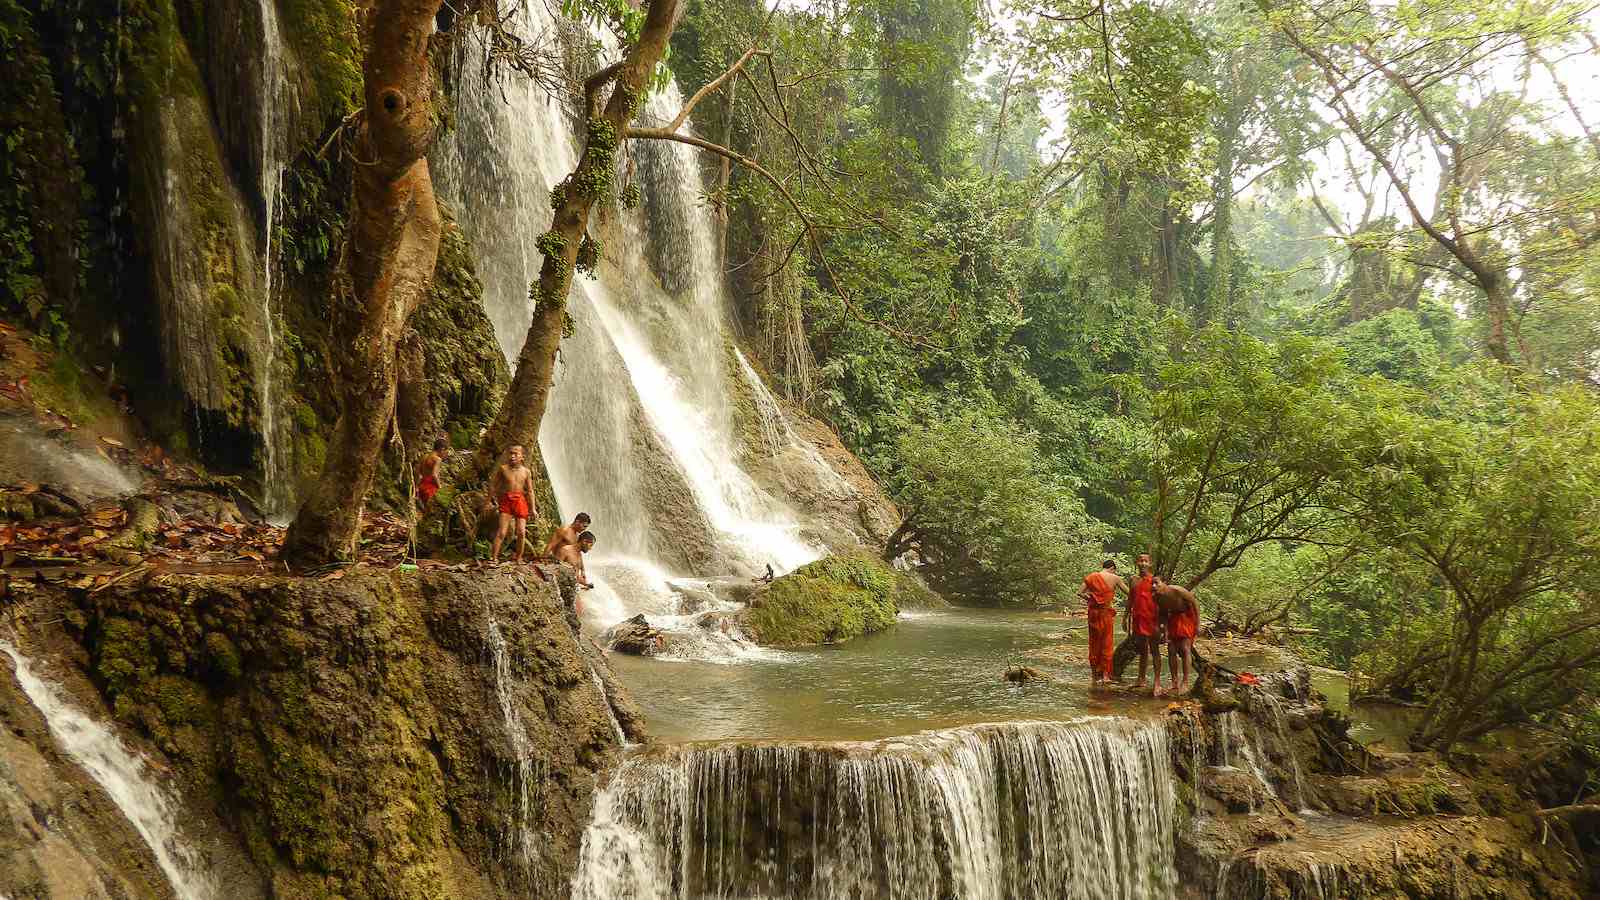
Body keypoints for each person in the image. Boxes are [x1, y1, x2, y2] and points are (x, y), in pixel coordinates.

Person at [1079, 560, 1127, 685]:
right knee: (1107, 642)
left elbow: (1079, 592)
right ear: (1112, 568)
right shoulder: (1115, 578)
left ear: (1103, 567)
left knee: (1094, 642)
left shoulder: (1092, 576)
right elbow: (1129, 592)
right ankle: (1105, 675)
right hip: (1105, 613)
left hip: (1093, 614)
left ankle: (1095, 675)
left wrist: (1090, 600)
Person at [1124, 553, 1164, 695]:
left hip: (1152, 618)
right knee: (1142, 650)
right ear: (1137, 562)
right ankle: (1141, 678)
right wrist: (1125, 617)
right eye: (1140, 561)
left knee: (1154, 650)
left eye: (1145, 561)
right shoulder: (1133, 580)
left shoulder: (1154, 580)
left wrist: (1163, 623)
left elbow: (1161, 599)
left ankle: (1157, 682)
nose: (1143, 563)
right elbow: (1130, 599)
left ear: (1150, 564)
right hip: (1138, 618)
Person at [489, 445, 536, 564]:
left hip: (520, 501)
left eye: (516, 453)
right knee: (502, 532)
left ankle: (518, 557)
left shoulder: (526, 472)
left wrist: (533, 509)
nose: (512, 456)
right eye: (510, 453)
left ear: (522, 456)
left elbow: (530, 491)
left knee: (521, 532)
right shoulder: (503, 469)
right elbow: (494, 486)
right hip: (506, 500)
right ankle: (493, 558)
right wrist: (487, 501)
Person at [1153, 577, 1200, 694]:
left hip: (1187, 617)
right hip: (1173, 619)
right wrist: (1164, 632)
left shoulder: (1177, 590)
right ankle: (1174, 682)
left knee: (1185, 648)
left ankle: (1185, 682)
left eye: (1156, 583)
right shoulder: (1157, 597)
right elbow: (1162, 614)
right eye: (1152, 583)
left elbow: (1194, 603)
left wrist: (1198, 624)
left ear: (1164, 583)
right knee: (1171, 649)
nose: (1153, 586)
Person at [416, 438, 449, 509]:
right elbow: (434, 475)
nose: (445, 455)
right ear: (442, 449)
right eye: (445, 452)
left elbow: (418, 471)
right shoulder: (437, 459)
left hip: (421, 485)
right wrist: (440, 487)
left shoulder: (424, 456)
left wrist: (417, 486)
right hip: (430, 487)